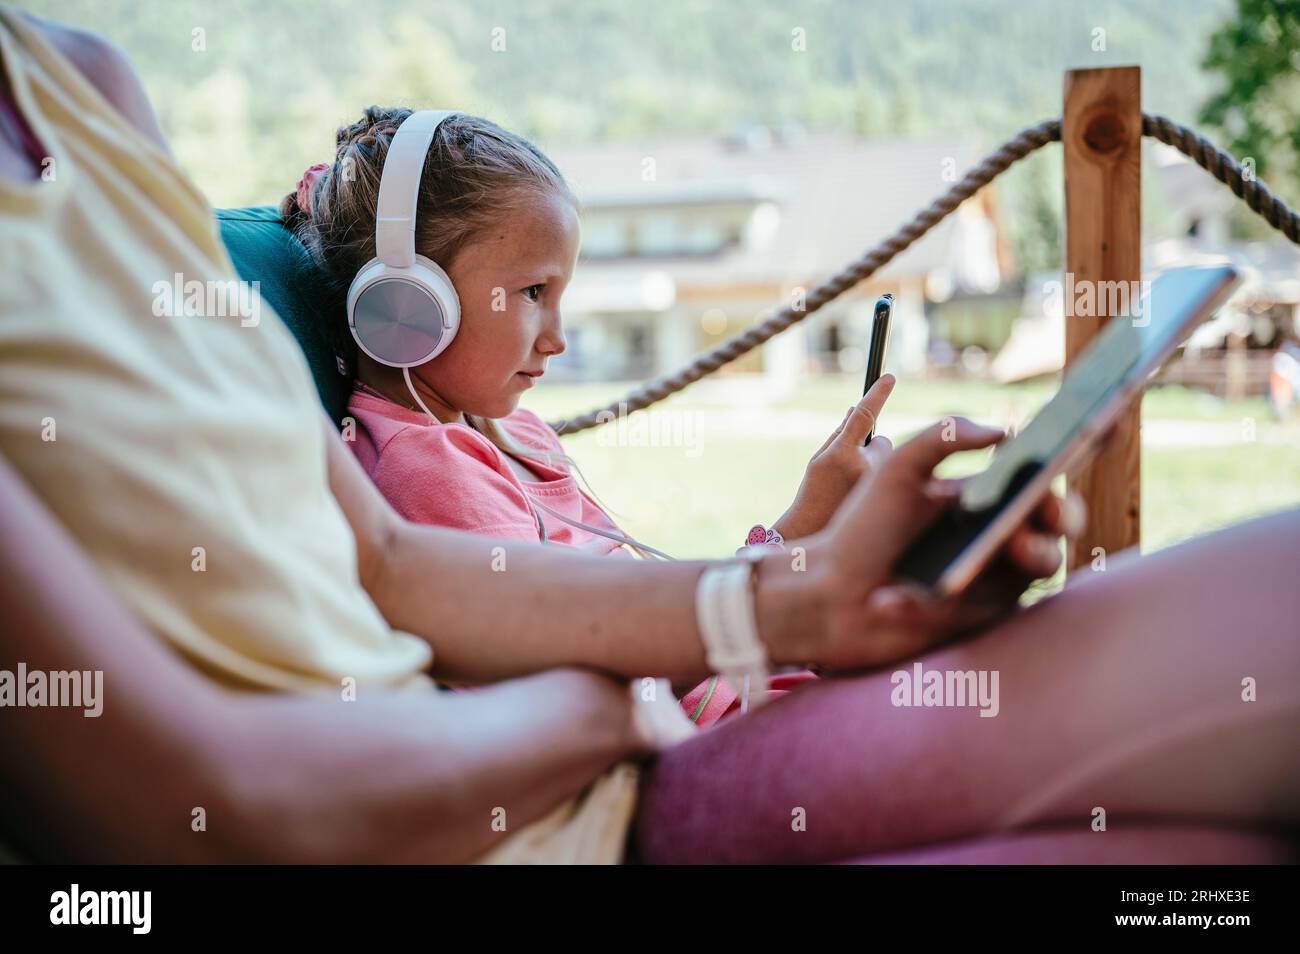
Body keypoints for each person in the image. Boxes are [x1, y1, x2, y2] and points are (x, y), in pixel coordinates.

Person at [1, 8, 1296, 864]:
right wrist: (608, 697)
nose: (556, 334)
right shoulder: (425, 449)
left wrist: (802, 584)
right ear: (407, 304)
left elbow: (389, 563)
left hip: (625, 759)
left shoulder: (85, 88)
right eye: (532, 298)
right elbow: (213, 800)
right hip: (526, 802)